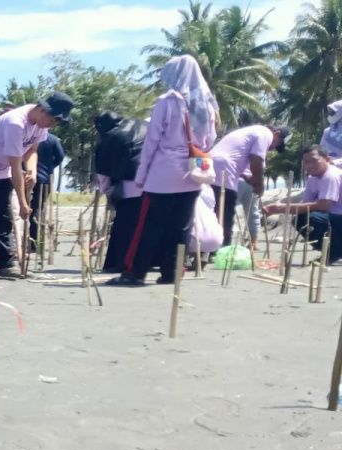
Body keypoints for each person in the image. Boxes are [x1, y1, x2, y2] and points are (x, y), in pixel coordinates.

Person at [109, 55, 219, 286]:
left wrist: (142, 175)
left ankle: (135, 272)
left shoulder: (168, 100)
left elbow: (152, 141)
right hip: (192, 172)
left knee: (148, 225)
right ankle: (172, 272)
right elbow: (209, 140)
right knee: (181, 225)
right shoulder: (206, 103)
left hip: (164, 172)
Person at [0, 93, 72, 280]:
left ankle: (6, 263)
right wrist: (24, 203)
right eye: (52, 120)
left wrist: (32, 171)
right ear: (42, 110)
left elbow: (32, 151)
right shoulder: (15, 123)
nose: (52, 125)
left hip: (4, 170)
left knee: (4, 217)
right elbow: (16, 165)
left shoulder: (40, 125)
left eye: (56, 123)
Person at [208, 123, 290, 247]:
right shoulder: (264, 134)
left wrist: (246, 176)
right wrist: (260, 185)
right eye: (277, 145)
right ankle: (221, 249)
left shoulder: (250, 131)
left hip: (210, 164)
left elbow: (235, 155)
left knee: (212, 210)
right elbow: (256, 160)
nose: (272, 149)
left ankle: (206, 248)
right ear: (276, 133)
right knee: (225, 212)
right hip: (224, 169)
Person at [262, 145, 342, 261]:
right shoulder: (312, 178)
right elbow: (306, 204)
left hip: (338, 218)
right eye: (306, 162)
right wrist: (279, 208)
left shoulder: (330, 176)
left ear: (327, 159)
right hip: (333, 218)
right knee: (300, 219)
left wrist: (282, 208)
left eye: (314, 161)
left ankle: (334, 251)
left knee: (312, 218)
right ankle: (328, 249)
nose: (309, 166)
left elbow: (323, 205)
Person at [93, 111, 147, 273]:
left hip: (129, 188)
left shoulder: (110, 138)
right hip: (154, 184)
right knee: (148, 226)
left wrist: (108, 192)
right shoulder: (144, 126)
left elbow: (103, 173)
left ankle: (121, 263)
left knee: (124, 227)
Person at [28, 133, 65, 249]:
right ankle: (34, 241)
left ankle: (29, 240)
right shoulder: (53, 139)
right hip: (45, 178)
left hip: (28, 176)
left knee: (25, 207)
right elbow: (60, 156)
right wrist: (50, 166)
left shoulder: (29, 137)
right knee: (37, 209)